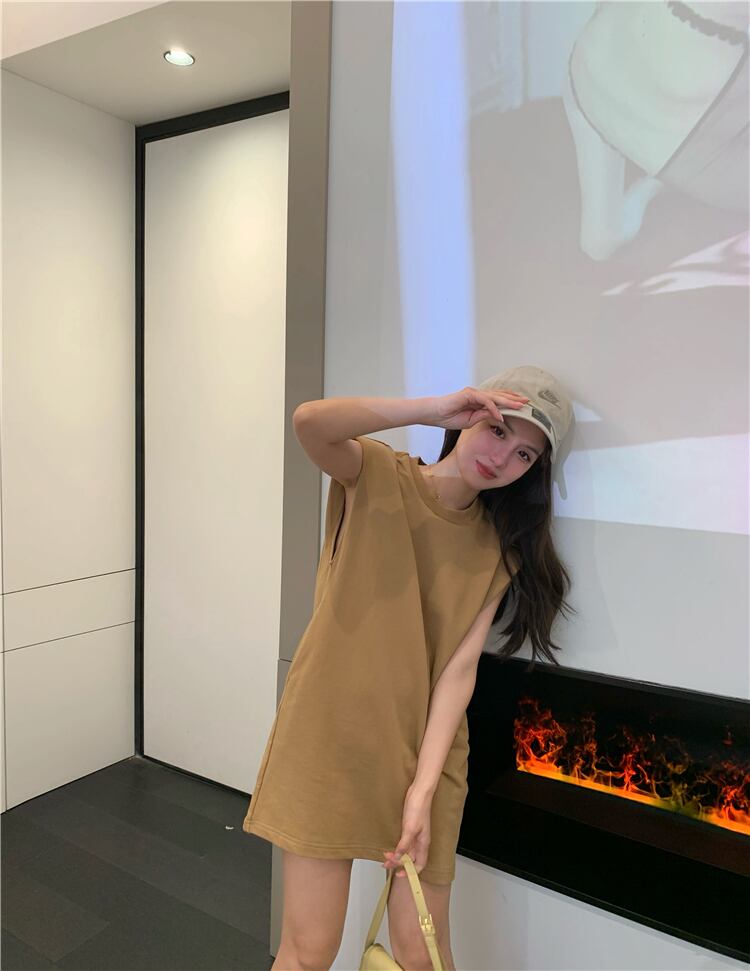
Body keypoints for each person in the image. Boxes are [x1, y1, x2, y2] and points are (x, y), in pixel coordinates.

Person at [242, 365, 576, 971]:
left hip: (428, 751)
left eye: (525, 455)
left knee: (421, 953)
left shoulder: (499, 549)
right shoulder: (376, 473)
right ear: (469, 418)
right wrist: (429, 408)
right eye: (499, 431)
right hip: (332, 734)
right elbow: (310, 422)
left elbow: (458, 671)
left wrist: (421, 792)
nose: (503, 458)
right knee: (309, 950)